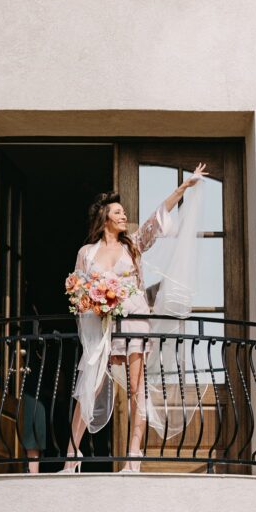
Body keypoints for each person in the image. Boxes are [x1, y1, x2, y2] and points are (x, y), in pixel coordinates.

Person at [60, 163, 208, 473]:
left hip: (135, 322)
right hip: (103, 326)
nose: (123, 216)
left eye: (124, 212)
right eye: (117, 213)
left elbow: (156, 219)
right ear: (104, 219)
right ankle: (72, 458)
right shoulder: (86, 252)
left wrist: (182, 189)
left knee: (137, 388)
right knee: (92, 385)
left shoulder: (134, 246)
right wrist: (91, 300)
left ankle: (134, 458)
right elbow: (77, 290)